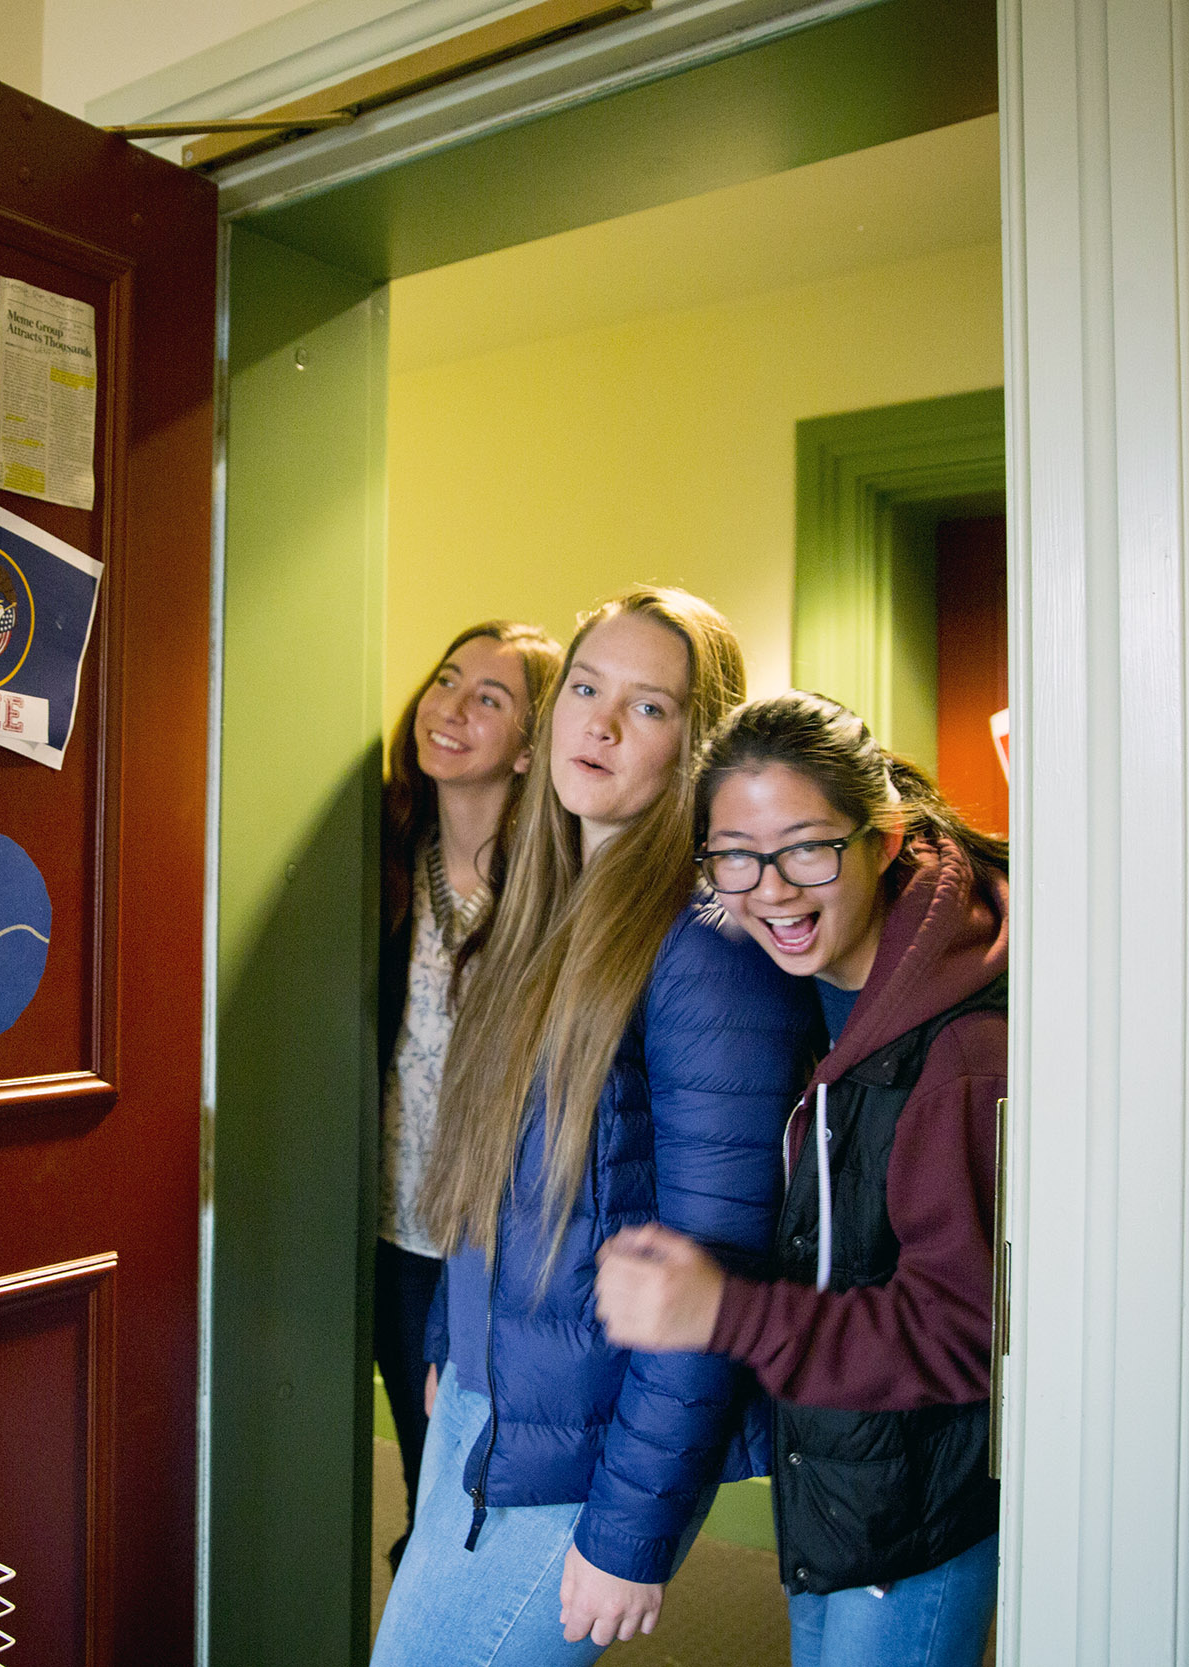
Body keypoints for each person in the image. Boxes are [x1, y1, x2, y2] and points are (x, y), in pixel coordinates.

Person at [371, 589, 823, 1666]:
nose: (601, 724)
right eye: (584, 687)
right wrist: (448, 1341)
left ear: (696, 743)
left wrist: (631, 1530)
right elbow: (494, 1180)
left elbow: (712, 1265)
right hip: (486, 1404)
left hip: (582, 1454)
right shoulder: (542, 909)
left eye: (648, 705)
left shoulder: (707, 946)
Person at [593, 689, 1009, 1667]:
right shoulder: (804, 983)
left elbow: (963, 1335)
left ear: (883, 834)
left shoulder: (955, 1048)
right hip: (832, 1475)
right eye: (733, 854)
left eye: (806, 847)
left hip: (912, 1512)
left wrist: (722, 1314)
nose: (769, 888)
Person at [378, 619, 564, 1570]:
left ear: (532, 747)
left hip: (493, 1242)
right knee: (421, 1471)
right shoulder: (376, 854)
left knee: (476, 1482)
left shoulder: (555, 890)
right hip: (386, 1230)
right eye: (445, 679)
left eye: (488, 697)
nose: (447, 707)